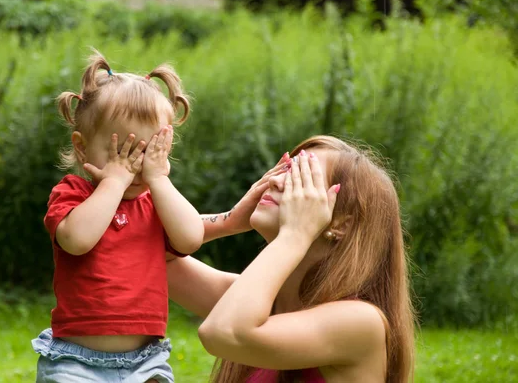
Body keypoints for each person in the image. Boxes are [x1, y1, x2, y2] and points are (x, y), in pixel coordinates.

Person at [168, 135, 416, 383]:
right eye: (284, 168)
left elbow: (223, 333)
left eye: (300, 177)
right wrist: (228, 222)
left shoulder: (361, 322)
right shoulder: (250, 304)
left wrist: (295, 234)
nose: (273, 180)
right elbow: (151, 254)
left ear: (342, 222)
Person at [32, 50, 203, 383]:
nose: (135, 165)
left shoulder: (157, 201)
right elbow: (77, 241)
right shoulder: (73, 194)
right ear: (82, 148)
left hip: (146, 360)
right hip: (76, 361)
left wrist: (159, 179)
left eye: (148, 151)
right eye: (125, 151)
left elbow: (191, 238)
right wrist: (113, 180)